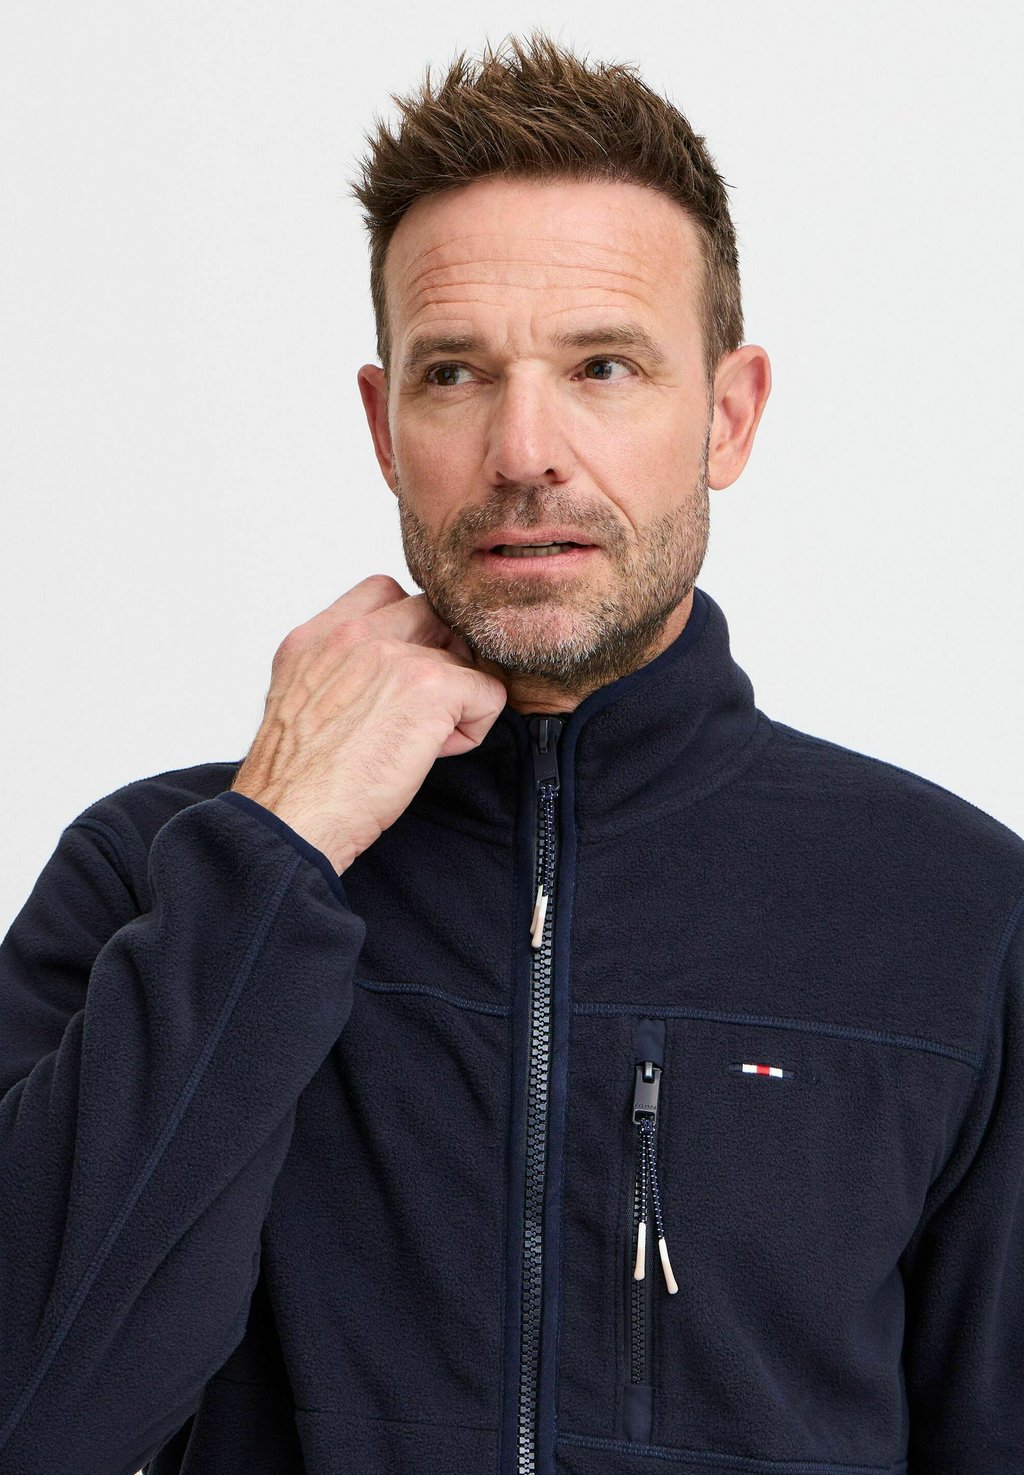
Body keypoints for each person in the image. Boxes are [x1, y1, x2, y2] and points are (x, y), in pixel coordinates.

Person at [0, 28, 1021, 1475]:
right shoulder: (158, 879)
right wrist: (278, 847)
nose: (525, 448)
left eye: (603, 365)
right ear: (384, 424)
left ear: (728, 415)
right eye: (455, 374)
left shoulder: (957, 916)